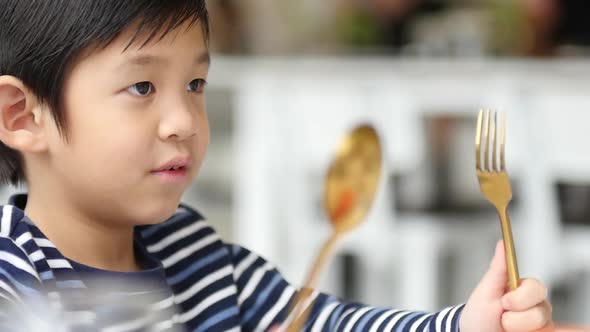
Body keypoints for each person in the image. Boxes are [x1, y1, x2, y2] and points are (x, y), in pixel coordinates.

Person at [0, 1, 551, 331]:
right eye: (142, 86)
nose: (184, 121)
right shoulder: (13, 284)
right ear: (22, 115)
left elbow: (331, 325)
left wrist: (461, 324)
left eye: (195, 84)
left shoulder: (197, 256)